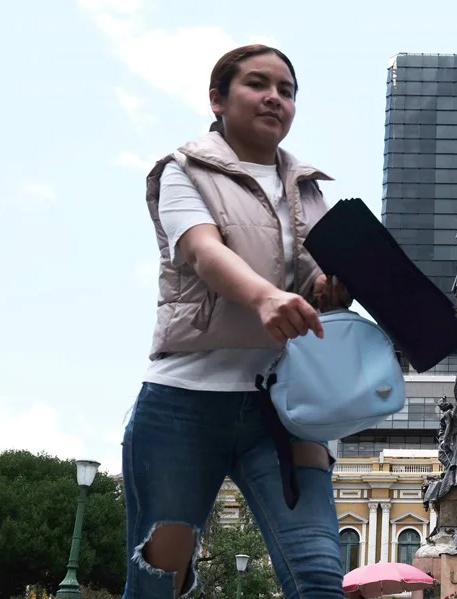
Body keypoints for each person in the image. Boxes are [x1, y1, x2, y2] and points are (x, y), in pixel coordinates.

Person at [122, 44, 350, 599]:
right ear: (217, 99)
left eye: (286, 91)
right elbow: (203, 252)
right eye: (257, 84)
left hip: (288, 408)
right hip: (183, 404)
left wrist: (331, 290)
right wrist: (266, 298)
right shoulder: (182, 171)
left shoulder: (309, 189)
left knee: (320, 577)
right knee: (158, 583)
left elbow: (317, 286)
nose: (274, 98)